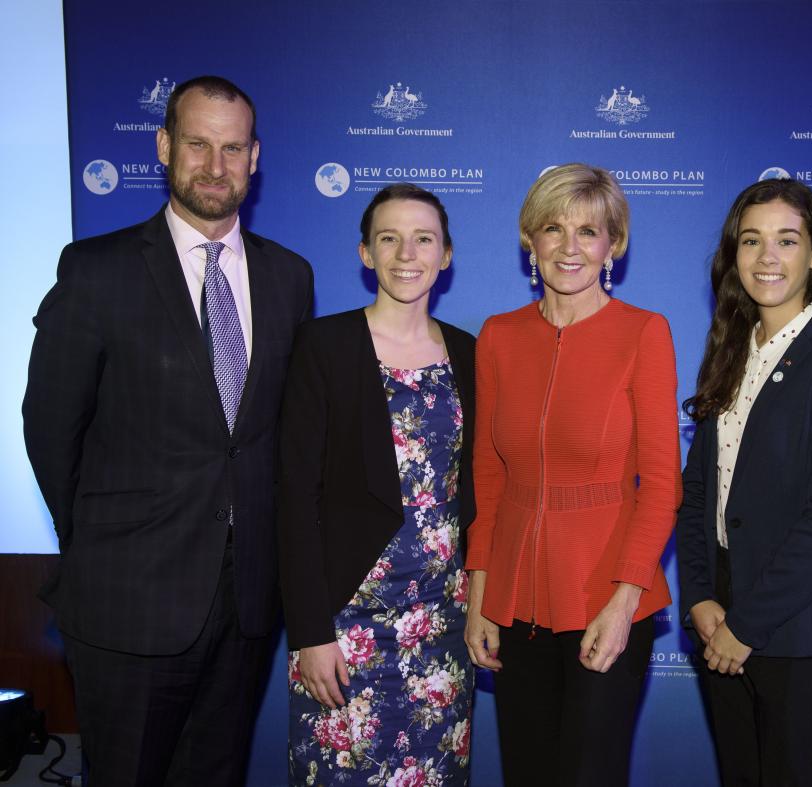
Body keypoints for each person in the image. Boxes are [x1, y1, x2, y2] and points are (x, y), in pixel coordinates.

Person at [22, 75, 313, 785]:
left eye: (233, 147)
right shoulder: (97, 271)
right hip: (128, 601)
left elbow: (280, 436)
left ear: (255, 158)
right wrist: (104, 542)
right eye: (198, 144)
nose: (216, 165)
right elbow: (50, 428)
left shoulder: (289, 278)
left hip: (244, 605)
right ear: (163, 147)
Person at [463, 163, 681, 786]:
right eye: (553, 229)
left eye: (589, 231)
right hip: (514, 603)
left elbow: (663, 483)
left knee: (590, 774)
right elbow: (489, 477)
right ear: (529, 240)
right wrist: (480, 597)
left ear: (613, 244)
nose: (570, 247)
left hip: (607, 599)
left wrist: (624, 599)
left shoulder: (644, 332)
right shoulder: (499, 337)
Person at [676, 178, 812, 786]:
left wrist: (747, 624)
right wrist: (702, 598)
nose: (767, 258)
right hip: (722, 619)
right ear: (733, 255)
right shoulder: (731, 350)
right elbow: (697, 498)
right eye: (752, 241)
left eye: (786, 241)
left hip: (801, 632)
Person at [278, 184, 475, 783]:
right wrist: (310, 633)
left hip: (441, 624)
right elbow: (294, 498)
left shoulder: (469, 352)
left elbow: (480, 492)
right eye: (389, 238)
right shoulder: (324, 346)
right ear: (366, 252)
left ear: (446, 255)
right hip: (346, 626)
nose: (406, 253)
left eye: (424, 239)